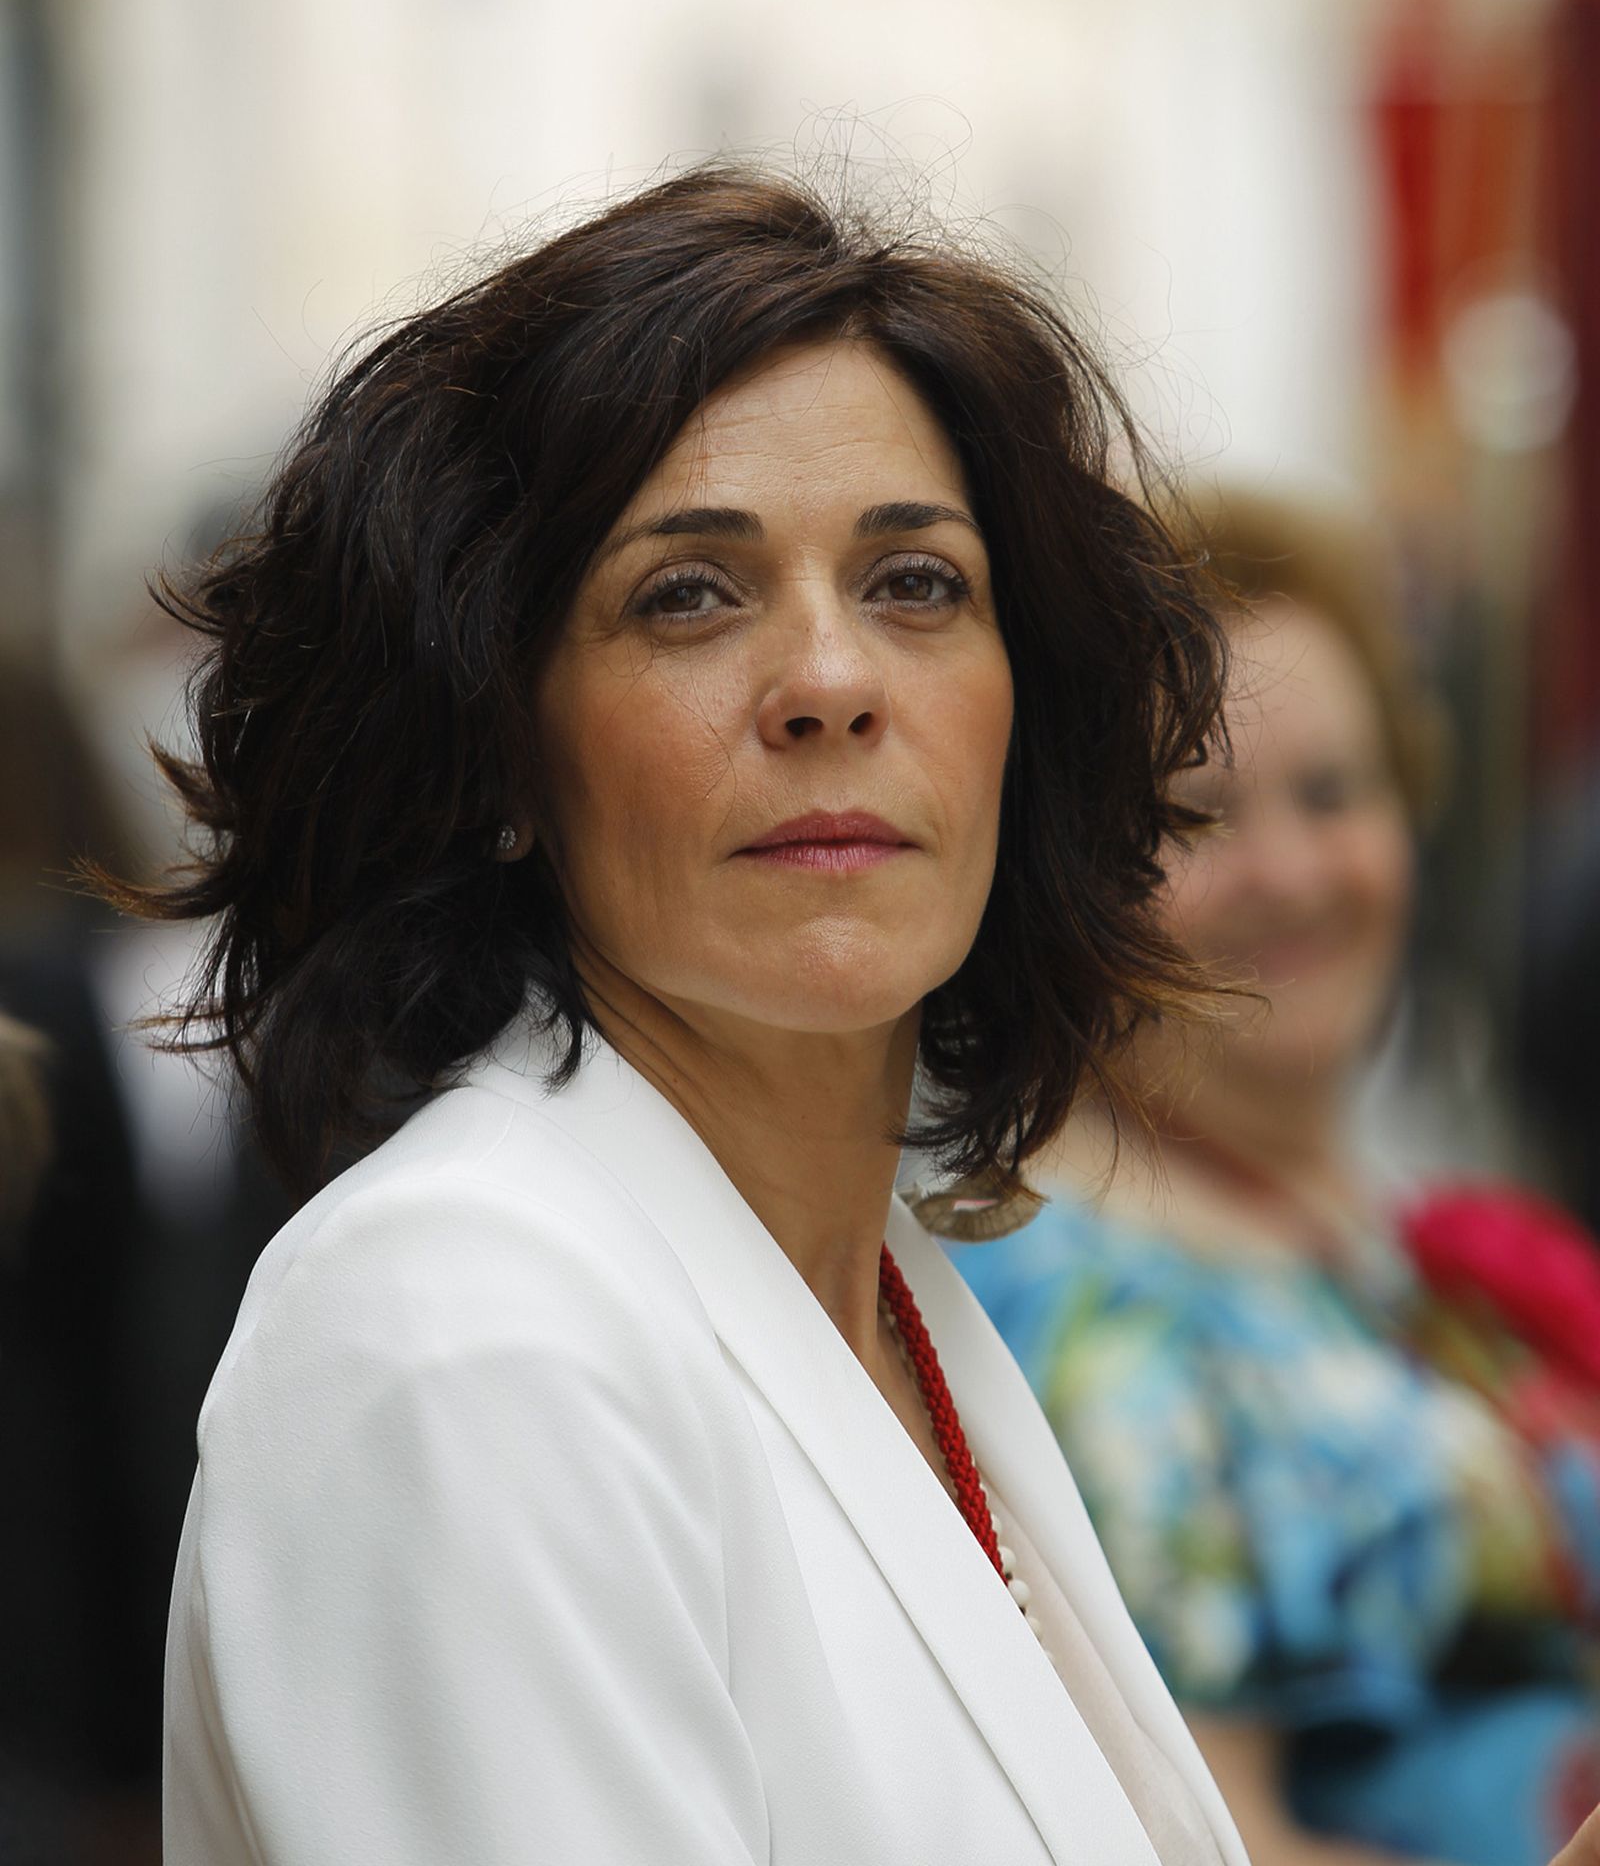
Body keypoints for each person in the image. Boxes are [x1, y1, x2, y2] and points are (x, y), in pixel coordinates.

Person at [115, 164, 1253, 1865]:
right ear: (504, 750)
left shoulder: (879, 1302)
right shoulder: (463, 1327)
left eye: (915, 583)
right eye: (689, 596)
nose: (831, 682)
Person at [957, 489, 1600, 1866]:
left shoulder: (1404, 1233)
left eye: (1332, 794)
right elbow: (1211, 1845)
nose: (1292, 872)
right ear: (1073, 878)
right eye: (1198, 817)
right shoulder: (1075, 1306)